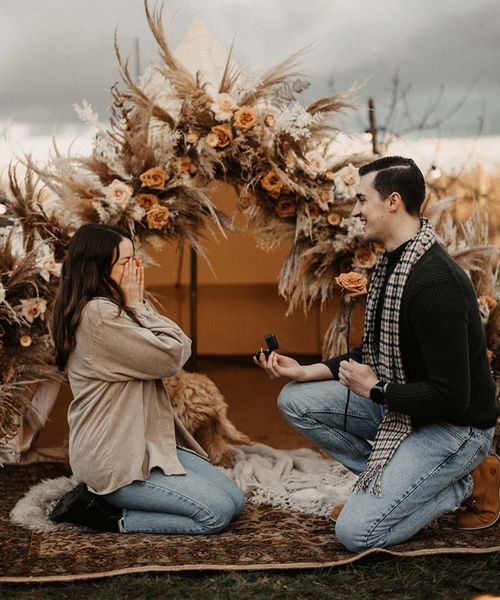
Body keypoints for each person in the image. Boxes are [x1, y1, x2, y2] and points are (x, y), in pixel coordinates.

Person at [256, 156, 500, 552]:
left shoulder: (435, 283)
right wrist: (306, 371)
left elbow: (454, 396)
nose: (354, 210)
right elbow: (373, 352)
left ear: (392, 201)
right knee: (296, 400)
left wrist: (379, 391)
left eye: (361, 199)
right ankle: (388, 492)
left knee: (356, 534)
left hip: (455, 428)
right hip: (405, 407)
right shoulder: (393, 265)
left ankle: (465, 483)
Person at [50, 223, 245, 534]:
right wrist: (139, 306)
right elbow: (173, 355)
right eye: (126, 263)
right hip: (115, 459)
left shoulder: (115, 306)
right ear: (98, 268)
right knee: (216, 513)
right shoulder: (99, 315)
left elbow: (174, 348)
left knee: (236, 500)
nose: (136, 269)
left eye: (135, 259)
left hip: (145, 445)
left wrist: (135, 306)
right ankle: (106, 515)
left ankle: (118, 500)